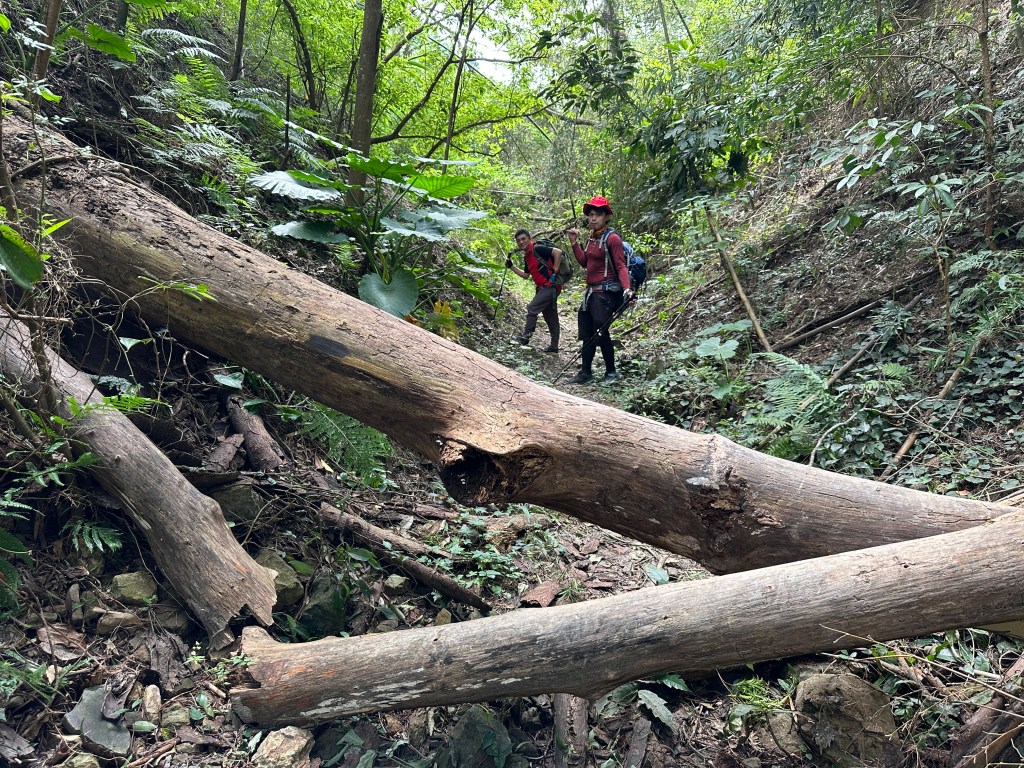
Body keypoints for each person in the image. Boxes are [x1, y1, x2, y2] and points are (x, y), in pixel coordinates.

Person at [565, 196, 634, 385]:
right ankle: (585, 373)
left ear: (606, 217)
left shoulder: (612, 239)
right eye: (591, 215)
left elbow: (620, 266)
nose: (593, 218)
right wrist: (574, 243)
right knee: (587, 333)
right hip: (590, 293)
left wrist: (627, 289)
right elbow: (585, 263)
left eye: (598, 215)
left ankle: (611, 373)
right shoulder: (592, 238)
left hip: (605, 294)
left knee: (601, 332)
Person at [505, 228, 564, 352]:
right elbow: (526, 275)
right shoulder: (527, 256)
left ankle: (525, 337)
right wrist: (511, 266)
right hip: (543, 288)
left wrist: (555, 271)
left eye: (523, 239)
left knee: (532, 308)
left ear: (530, 238)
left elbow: (558, 252)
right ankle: (554, 346)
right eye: (518, 240)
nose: (521, 242)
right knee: (550, 316)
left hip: (551, 286)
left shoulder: (537, 248)